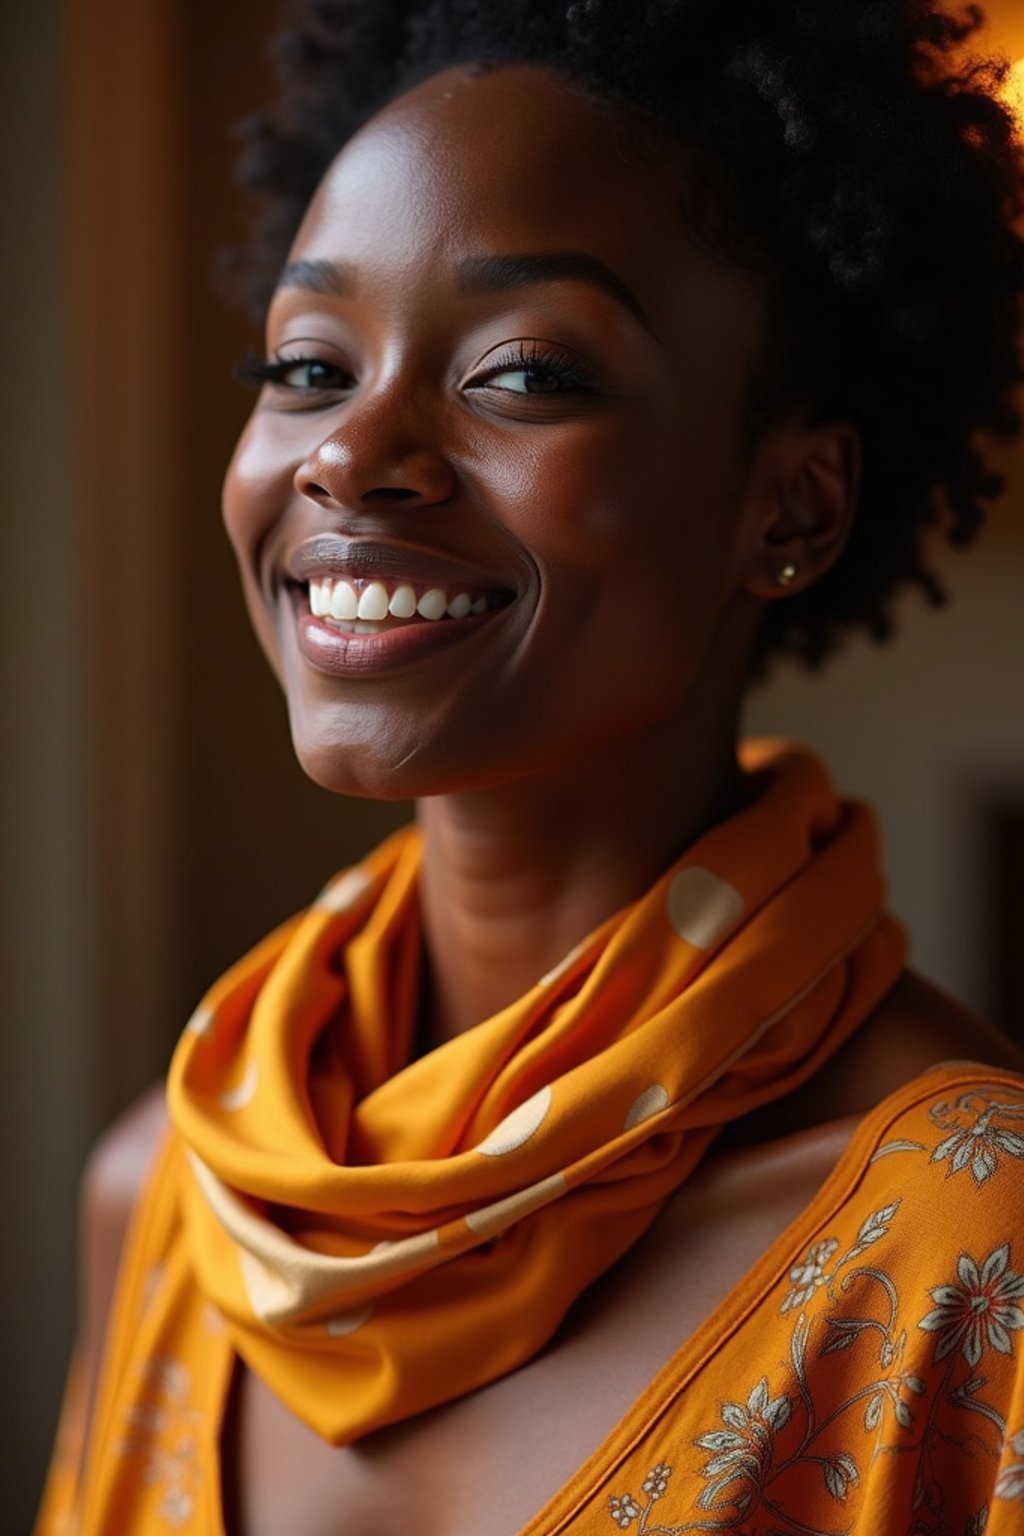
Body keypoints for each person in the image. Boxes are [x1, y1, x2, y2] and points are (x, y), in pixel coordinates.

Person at [35, 2, 1024, 1533]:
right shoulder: (168, 1194)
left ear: (795, 508)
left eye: (523, 374)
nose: (350, 454)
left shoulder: (972, 1253)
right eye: (306, 361)